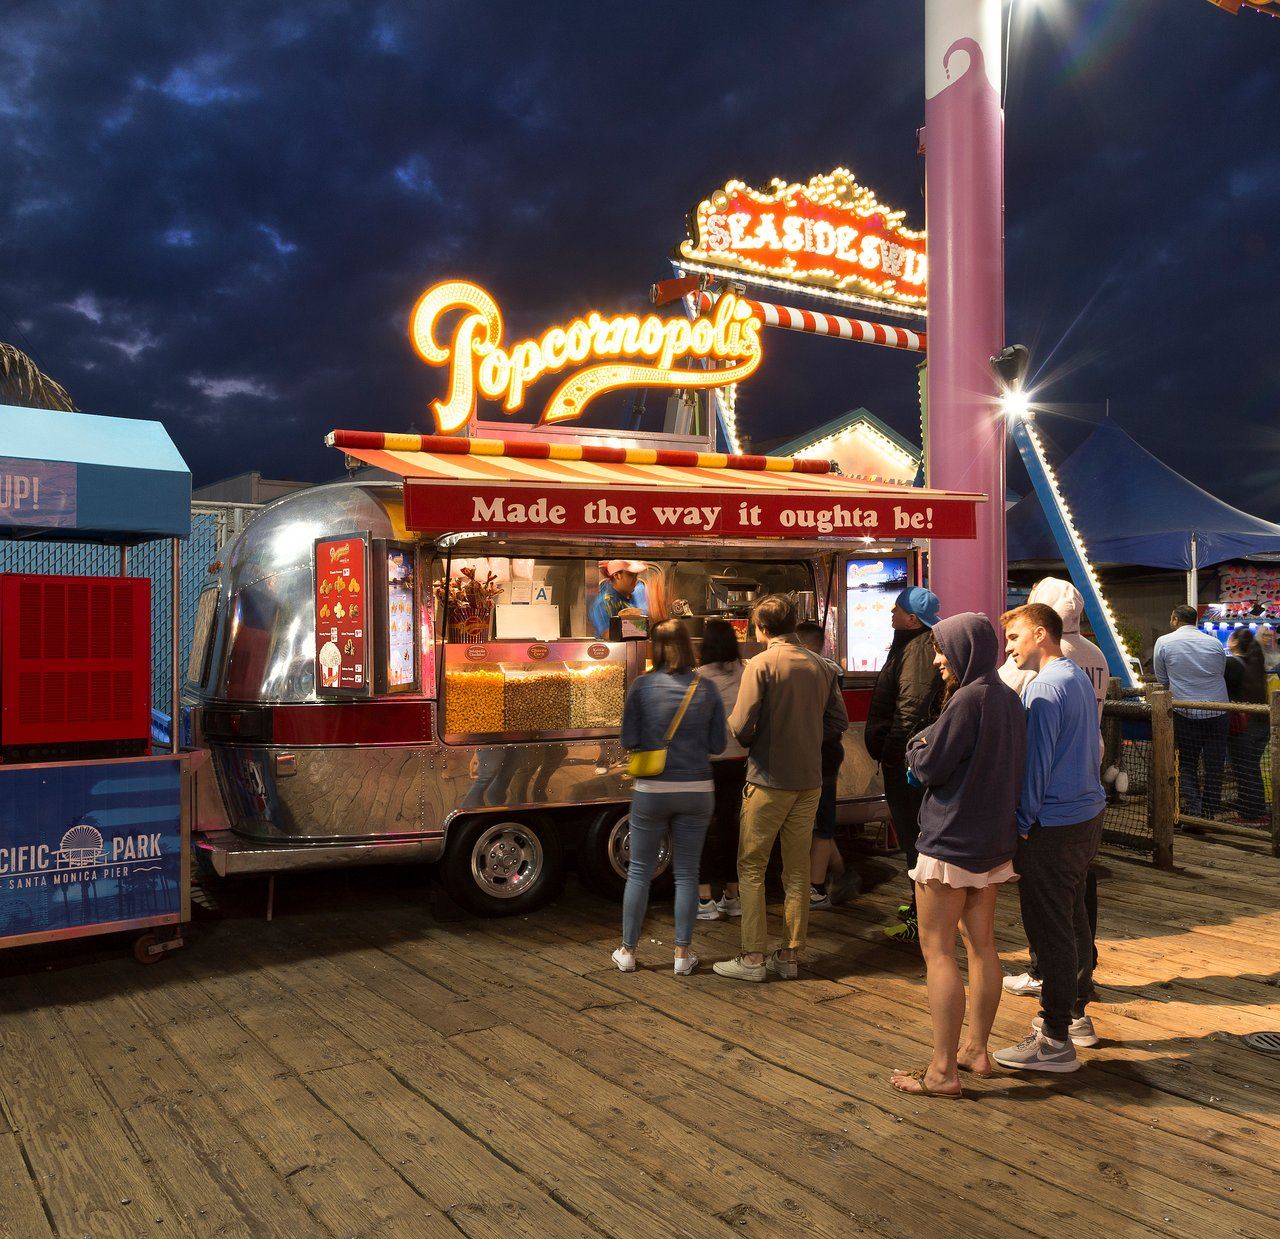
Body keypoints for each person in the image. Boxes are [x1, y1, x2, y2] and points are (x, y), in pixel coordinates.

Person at [890, 614, 1027, 1098]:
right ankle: (977, 1050)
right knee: (983, 945)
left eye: (942, 649)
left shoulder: (968, 701)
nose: (937, 659)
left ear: (964, 648)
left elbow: (928, 764)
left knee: (938, 950)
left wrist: (916, 745)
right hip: (993, 843)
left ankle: (942, 1071)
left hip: (950, 841)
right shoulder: (1009, 699)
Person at [993, 604, 1107, 1074]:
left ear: (1041, 634)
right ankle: (1073, 1017)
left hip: (1053, 825)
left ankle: (1055, 1036)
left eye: (1015, 636)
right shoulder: (1074, 675)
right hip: (1084, 815)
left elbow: (1033, 768)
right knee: (1073, 919)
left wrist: (1020, 824)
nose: (1010, 646)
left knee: (1051, 930)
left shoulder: (1042, 687)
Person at [713, 595, 848, 982]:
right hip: (809, 781)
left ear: (761, 628)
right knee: (797, 869)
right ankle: (788, 956)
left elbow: (739, 726)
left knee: (752, 866)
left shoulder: (761, 664)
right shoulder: (823, 666)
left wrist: (767, 734)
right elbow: (837, 720)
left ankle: (752, 957)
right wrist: (805, 735)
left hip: (768, 779)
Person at [615, 619, 725, 975]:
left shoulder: (641, 686)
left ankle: (628, 952)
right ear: (687, 645)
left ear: (654, 647)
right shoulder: (706, 688)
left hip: (652, 790)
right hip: (697, 789)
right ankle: (682, 954)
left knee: (640, 872)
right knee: (687, 874)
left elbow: (628, 739)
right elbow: (718, 744)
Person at [864, 586, 943, 942]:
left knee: (914, 837)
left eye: (897, 611)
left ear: (912, 619)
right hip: (906, 756)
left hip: (908, 761)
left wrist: (894, 752)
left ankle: (921, 918)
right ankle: (918, 906)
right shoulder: (916, 645)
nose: (891, 615)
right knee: (914, 836)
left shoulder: (918, 649)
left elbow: (909, 707)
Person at [796, 620, 859, 910]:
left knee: (819, 822)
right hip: (823, 754)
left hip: (820, 756)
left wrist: (807, 735)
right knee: (816, 820)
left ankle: (816, 889)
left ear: (803, 643)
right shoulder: (830, 669)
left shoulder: (822, 670)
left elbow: (838, 721)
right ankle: (840, 871)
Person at [1153, 605, 1229, 821]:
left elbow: (1162, 679)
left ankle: (1194, 813)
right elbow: (1219, 673)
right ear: (1195, 620)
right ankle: (1209, 813)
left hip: (1185, 710)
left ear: (1175, 619)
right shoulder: (1214, 643)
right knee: (1215, 766)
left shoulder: (1164, 642)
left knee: (1187, 763)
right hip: (1219, 710)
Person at [695, 618, 746, 920]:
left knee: (702, 827)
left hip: (706, 761)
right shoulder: (747, 672)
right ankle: (732, 894)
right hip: (739, 759)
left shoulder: (697, 678)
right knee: (729, 827)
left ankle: (704, 900)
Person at [1225, 628, 1269, 823]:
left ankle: (1250, 814)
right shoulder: (1256, 663)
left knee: (1243, 769)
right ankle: (1258, 810)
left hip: (1243, 725)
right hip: (1260, 722)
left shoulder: (1231, 663)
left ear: (1234, 642)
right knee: (1252, 768)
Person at [589, 559, 650, 638]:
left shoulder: (637, 592)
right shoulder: (603, 604)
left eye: (636, 575)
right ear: (617, 575)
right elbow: (609, 636)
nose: (636, 579)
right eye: (631, 575)